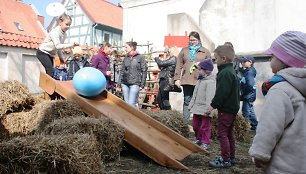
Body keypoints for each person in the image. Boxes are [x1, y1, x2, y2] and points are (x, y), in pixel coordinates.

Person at [249, 31, 306, 174]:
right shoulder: (301, 88)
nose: (270, 60)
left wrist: (260, 153)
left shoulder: (280, 90)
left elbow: (269, 126)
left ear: (284, 60)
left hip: (282, 166)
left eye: (273, 56)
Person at [206, 45, 240, 168]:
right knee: (229, 134)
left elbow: (222, 93)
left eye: (216, 59)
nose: (215, 61)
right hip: (232, 108)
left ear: (224, 59)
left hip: (226, 109)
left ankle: (225, 160)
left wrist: (212, 106)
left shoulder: (225, 73)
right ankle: (231, 157)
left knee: (222, 134)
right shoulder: (230, 71)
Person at [174, 31, 211, 124]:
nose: (192, 42)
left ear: (198, 40)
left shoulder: (205, 51)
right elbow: (179, 65)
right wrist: (177, 78)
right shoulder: (184, 50)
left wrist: (201, 64)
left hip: (200, 80)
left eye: (194, 40)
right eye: (190, 40)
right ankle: (185, 124)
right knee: (187, 101)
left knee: (199, 102)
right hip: (187, 80)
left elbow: (210, 66)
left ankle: (198, 124)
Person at [188, 59, 216, 150]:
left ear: (206, 70)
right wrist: (191, 105)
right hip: (197, 107)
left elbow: (210, 97)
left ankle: (205, 142)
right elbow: (194, 95)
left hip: (205, 108)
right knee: (195, 125)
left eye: (200, 69)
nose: (198, 71)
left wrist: (209, 109)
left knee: (205, 126)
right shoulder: (199, 81)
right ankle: (198, 138)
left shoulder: (210, 82)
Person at [117, 41, 147, 108]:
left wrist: (142, 84)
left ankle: (137, 117)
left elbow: (144, 71)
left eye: (126, 47)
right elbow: (122, 71)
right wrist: (119, 84)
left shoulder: (140, 57)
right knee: (127, 105)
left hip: (135, 83)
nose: (125, 49)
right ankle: (129, 117)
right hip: (125, 83)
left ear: (132, 47)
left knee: (131, 103)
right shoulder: (126, 58)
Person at [240, 56, 258, 130]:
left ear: (250, 62)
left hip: (248, 95)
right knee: (250, 110)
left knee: (246, 111)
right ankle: (254, 125)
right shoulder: (249, 71)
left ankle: (245, 127)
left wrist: (242, 92)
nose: (242, 63)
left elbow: (250, 85)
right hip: (250, 95)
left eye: (244, 61)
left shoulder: (249, 72)